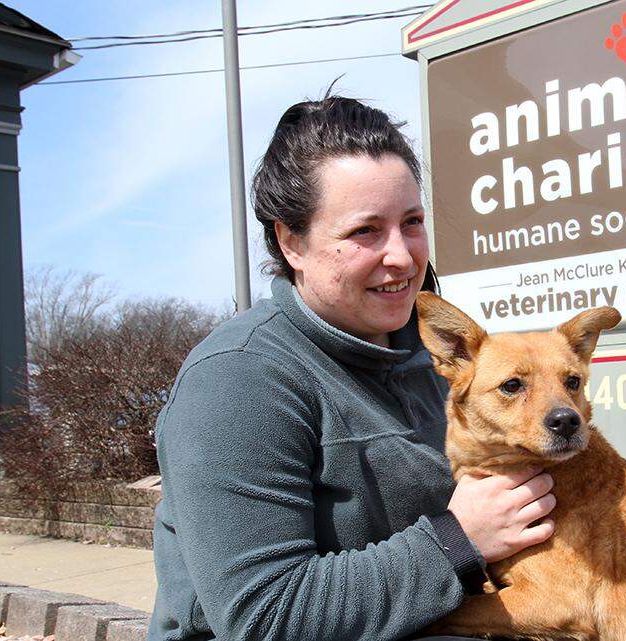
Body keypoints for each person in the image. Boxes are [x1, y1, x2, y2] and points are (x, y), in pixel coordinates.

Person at [147, 95, 557, 641]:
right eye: (366, 231)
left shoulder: (441, 360)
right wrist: (458, 539)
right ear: (291, 242)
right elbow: (263, 617)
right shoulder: (238, 380)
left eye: (412, 222)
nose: (403, 257)